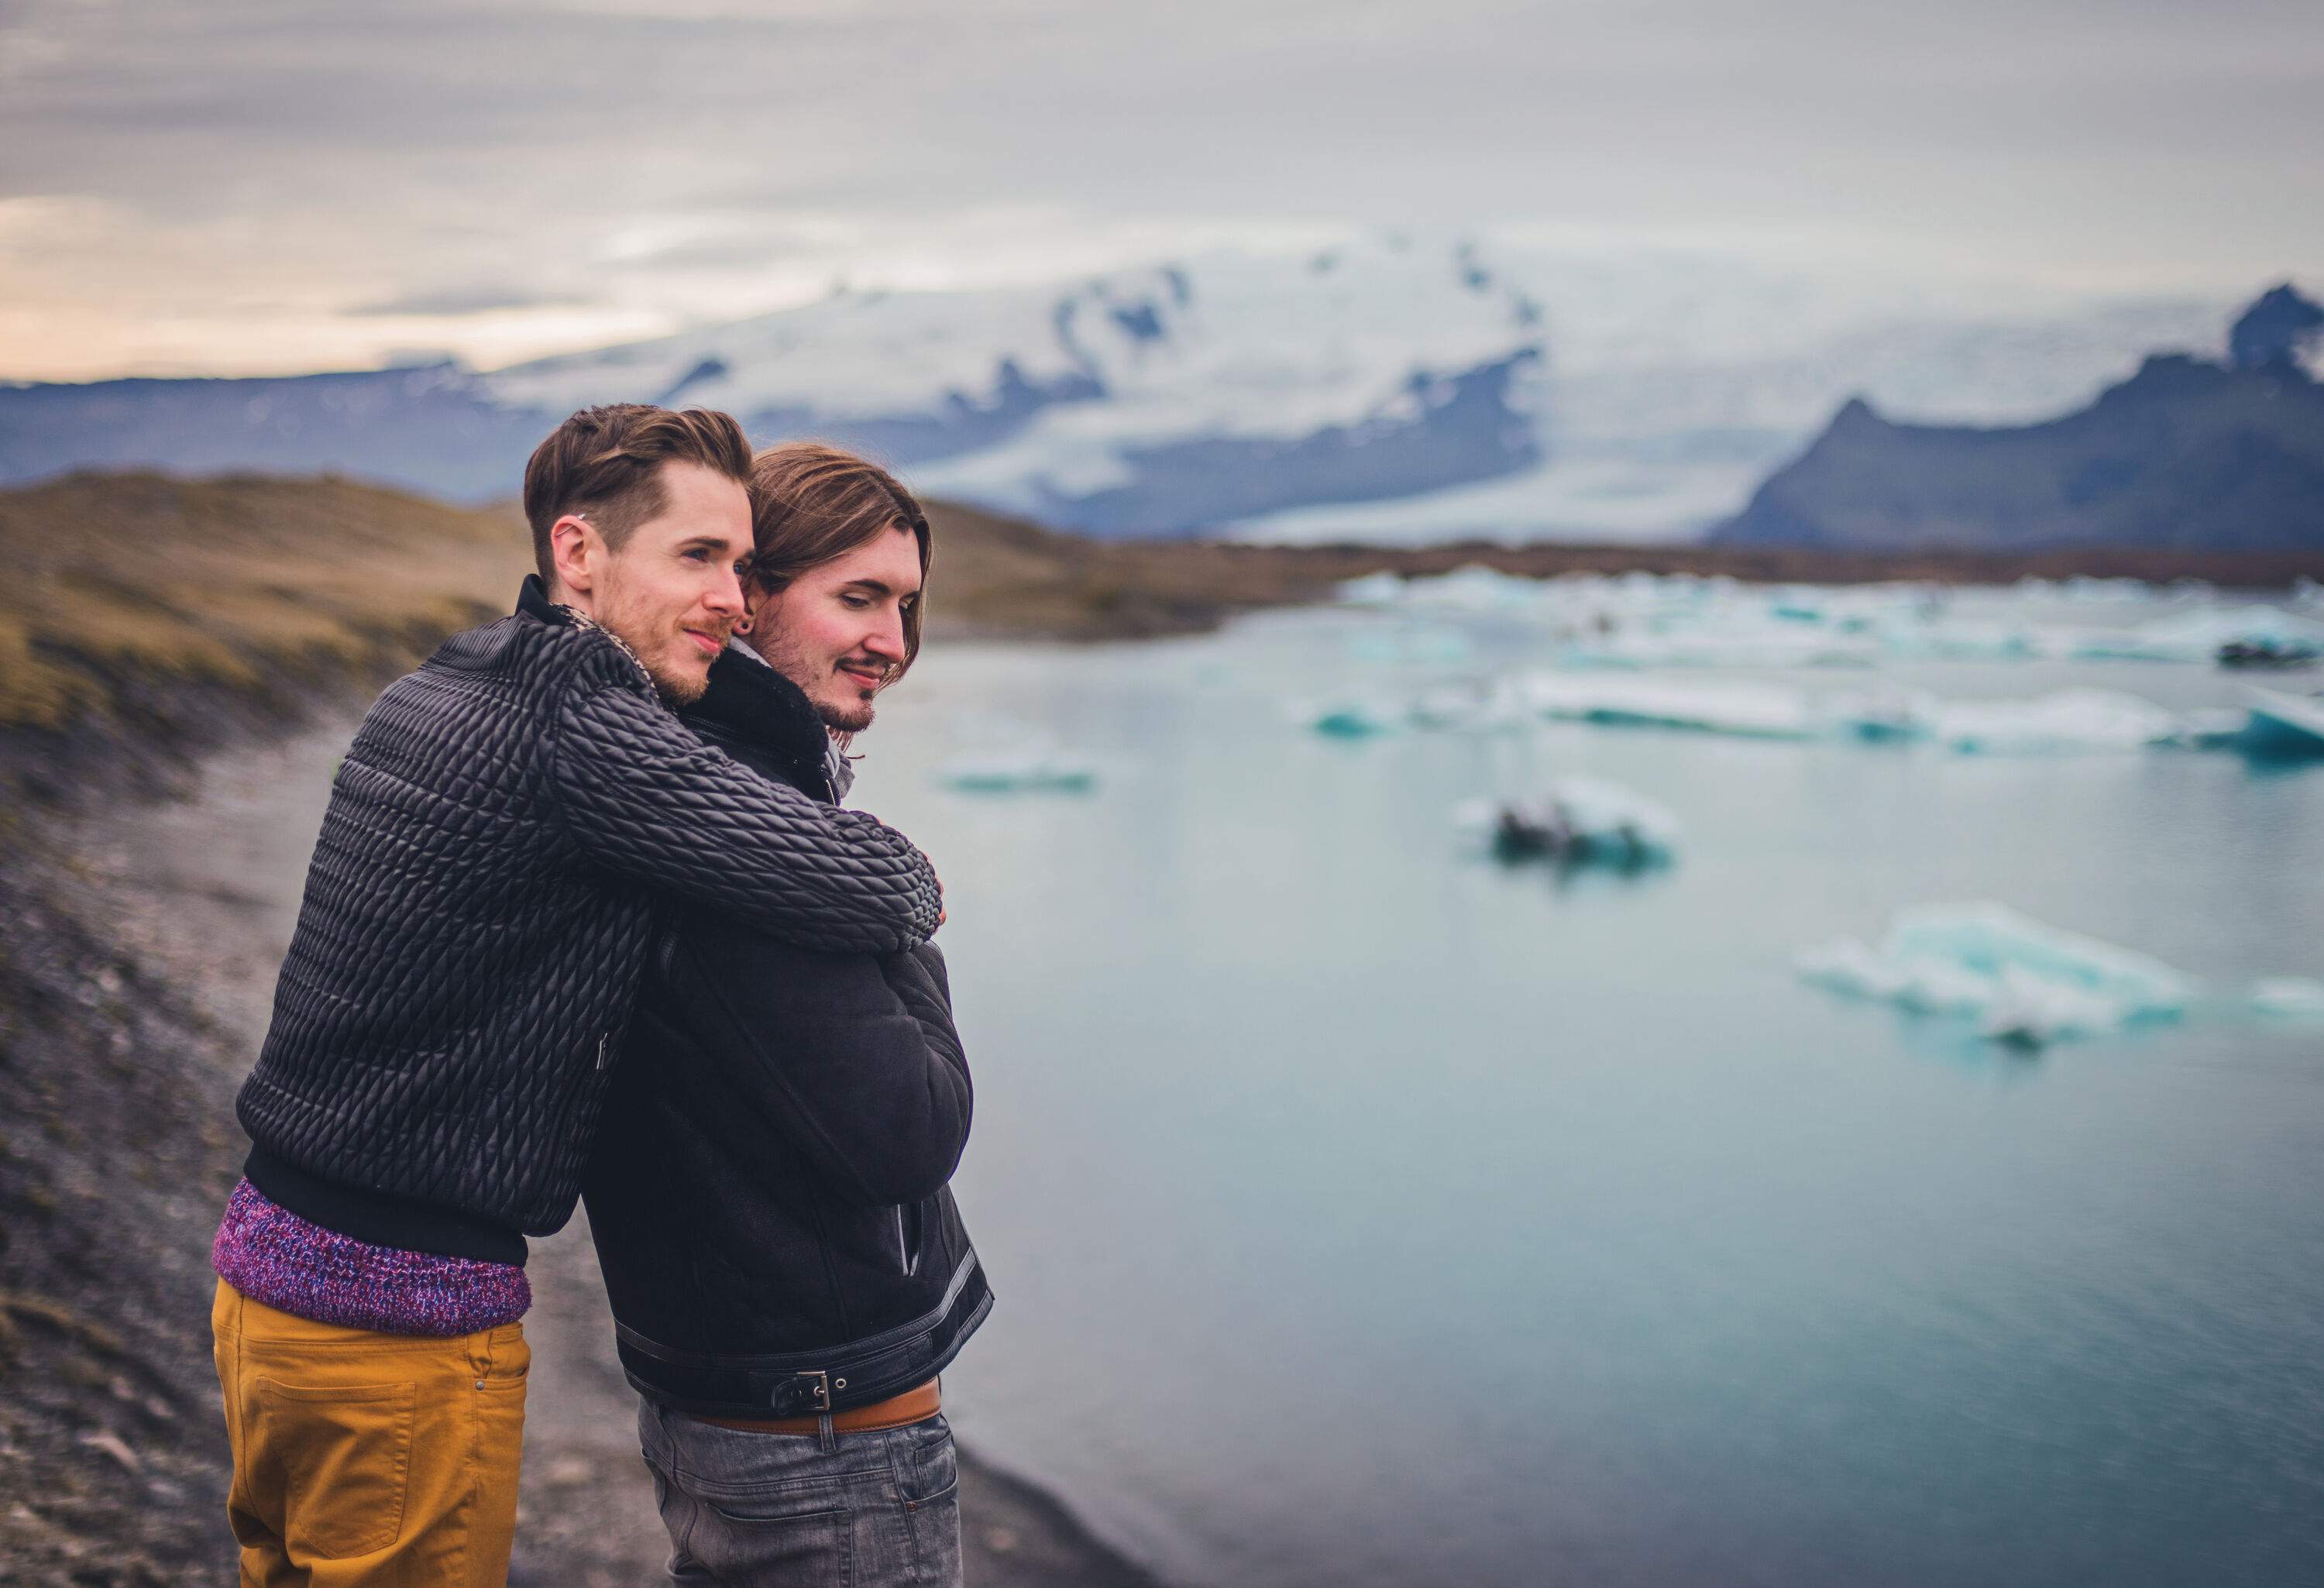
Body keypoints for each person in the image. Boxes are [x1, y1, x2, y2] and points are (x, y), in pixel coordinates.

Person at [207, 407, 944, 1587]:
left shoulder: (449, 676)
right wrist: (917, 883)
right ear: (580, 553)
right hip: (397, 1324)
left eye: (743, 568)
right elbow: (862, 877)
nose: (729, 603)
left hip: (269, 1283)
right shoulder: (583, 727)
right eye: (698, 559)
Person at [583, 442, 988, 1588]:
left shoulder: (668, 777)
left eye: (907, 606)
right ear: (745, 596)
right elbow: (908, 1127)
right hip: (824, 1436)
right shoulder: (745, 829)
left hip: (733, 1399)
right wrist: (895, 908)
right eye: (858, 597)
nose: (894, 644)